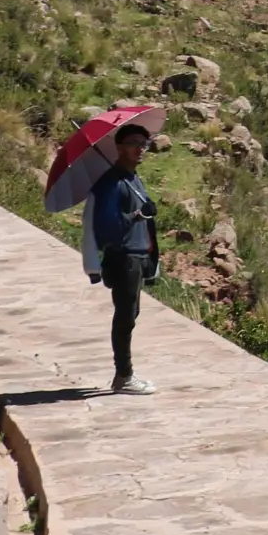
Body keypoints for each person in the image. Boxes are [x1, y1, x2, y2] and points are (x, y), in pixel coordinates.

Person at [81, 122, 159, 395]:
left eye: (144, 144)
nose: (140, 149)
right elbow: (108, 227)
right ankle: (124, 376)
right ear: (119, 147)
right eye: (134, 143)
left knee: (131, 314)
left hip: (137, 257)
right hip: (123, 258)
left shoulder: (133, 179)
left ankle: (123, 375)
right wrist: (140, 215)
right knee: (125, 317)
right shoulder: (112, 183)